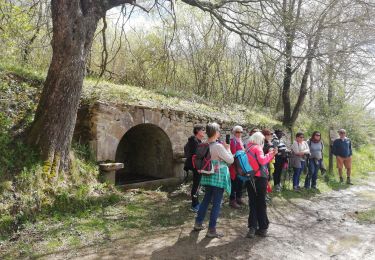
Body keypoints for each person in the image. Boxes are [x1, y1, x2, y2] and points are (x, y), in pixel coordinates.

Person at [193, 123, 234, 238]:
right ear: (216, 133)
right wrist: (228, 149)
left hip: (207, 176)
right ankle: (211, 230)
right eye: (219, 131)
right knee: (216, 204)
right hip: (218, 178)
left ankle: (198, 223)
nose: (219, 133)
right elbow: (230, 160)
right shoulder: (218, 146)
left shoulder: (205, 144)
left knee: (206, 200)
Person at [246, 132, 277, 238]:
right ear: (260, 140)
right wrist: (271, 154)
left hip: (250, 178)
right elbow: (263, 161)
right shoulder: (257, 148)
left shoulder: (247, 148)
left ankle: (252, 228)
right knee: (261, 202)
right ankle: (263, 228)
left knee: (252, 202)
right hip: (260, 178)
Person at [183, 125, 206, 212]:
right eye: (202, 130)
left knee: (198, 185)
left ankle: (196, 203)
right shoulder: (194, 141)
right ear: (197, 131)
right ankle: (194, 205)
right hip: (196, 166)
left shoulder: (197, 141)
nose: (204, 132)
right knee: (196, 186)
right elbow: (198, 154)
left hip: (197, 165)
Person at [229, 125, 245, 209]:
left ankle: (239, 198)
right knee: (234, 184)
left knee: (240, 183)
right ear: (234, 132)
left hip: (240, 167)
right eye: (237, 132)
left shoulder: (240, 141)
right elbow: (232, 154)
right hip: (234, 167)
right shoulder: (233, 141)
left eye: (241, 132)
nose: (239, 133)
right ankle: (232, 200)